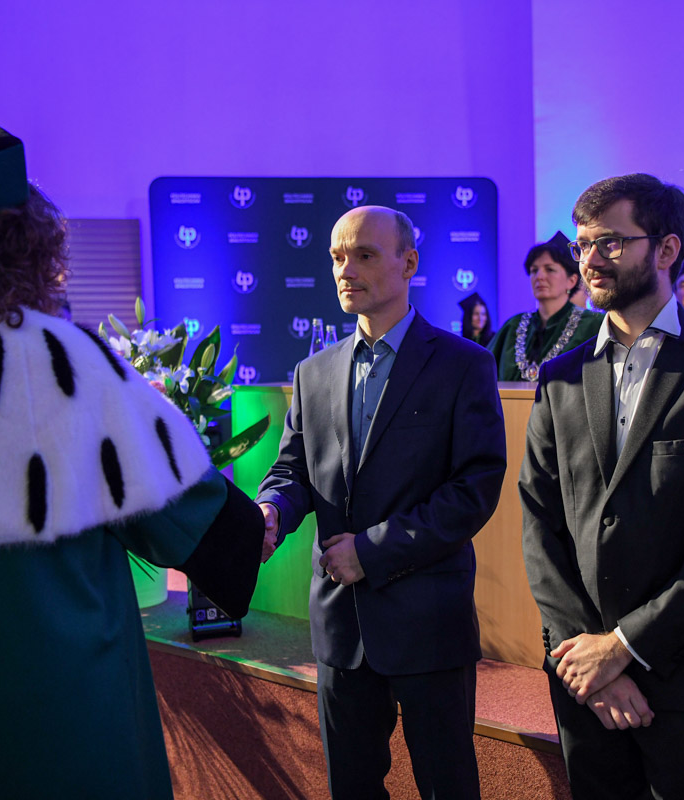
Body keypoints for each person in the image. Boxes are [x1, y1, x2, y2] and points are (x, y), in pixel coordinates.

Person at [0, 108, 264, 799]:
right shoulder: (70, 364)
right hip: (70, 716)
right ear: (25, 239)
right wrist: (263, 525)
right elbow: (196, 521)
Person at [520, 173, 684, 799]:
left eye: (610, 242)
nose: (589, 260)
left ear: (666, 249)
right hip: (580, 675)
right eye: (583, 244)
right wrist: (585, 656)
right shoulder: (559, 377)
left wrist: (624, 648)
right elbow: (540, 525)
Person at [256, 205, 506, 800]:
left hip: (429, 623)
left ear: (408, 263)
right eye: (337, 257)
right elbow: (293, 470)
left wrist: (371, 551)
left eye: (364, 255)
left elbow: (473, 490)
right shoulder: (313, 372)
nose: (347, 270)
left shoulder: (464, 364)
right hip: (340, 626)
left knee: (448, 788)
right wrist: (271, 512)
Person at [488, 231, 603, 381]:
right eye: (534, 271)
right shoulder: (512, 327)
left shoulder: (593, 325)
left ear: (572, 281)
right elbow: (483, 371)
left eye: (550, 269)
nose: (539, 277)